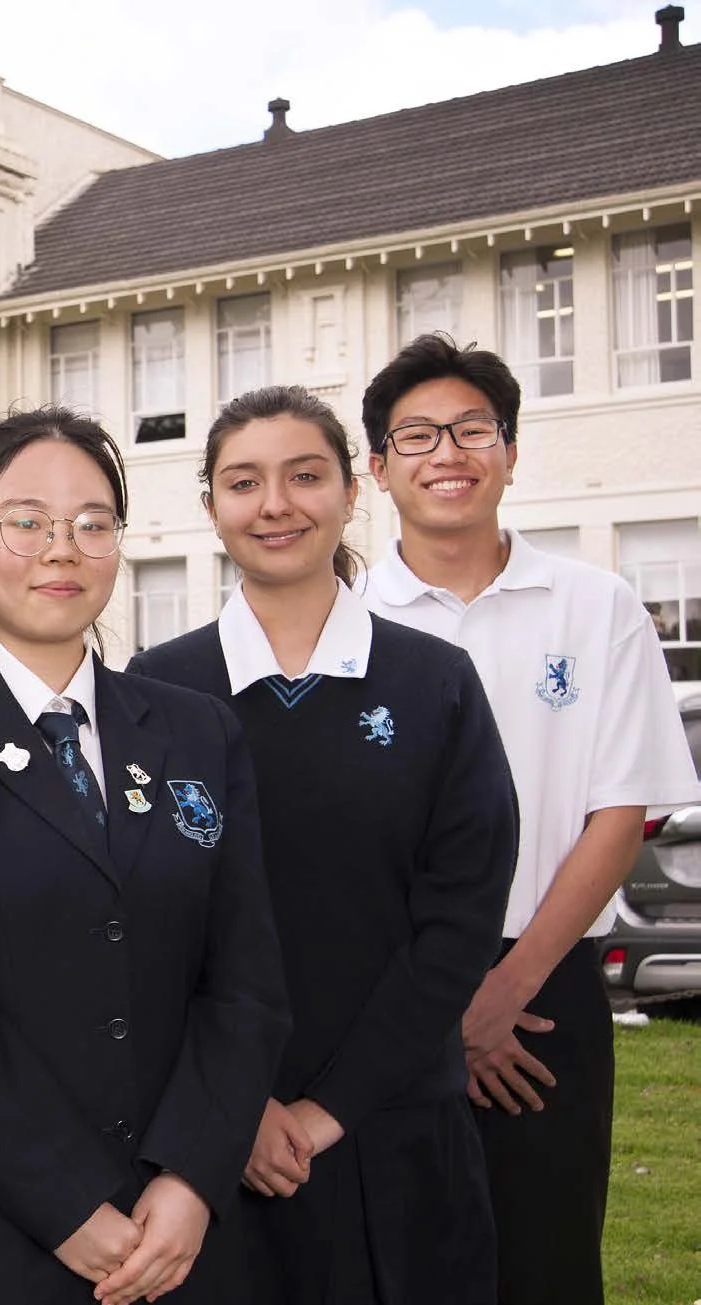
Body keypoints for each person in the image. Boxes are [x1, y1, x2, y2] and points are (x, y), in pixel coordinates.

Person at [0, 406, 289, 1305]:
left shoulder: (198, 731)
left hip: (176, 1234)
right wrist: (67, 1201)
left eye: (92, 523)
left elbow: (245, 982)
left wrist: (192, 1177)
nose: (62, 549)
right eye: (27, 521)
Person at [129, 385, 517, 1303]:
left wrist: (325, 1108)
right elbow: (142, 923)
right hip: (205, 1147)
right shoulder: (154, 691)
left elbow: (460, 917)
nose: (275, 504)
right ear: (212, 506)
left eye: (305, 476)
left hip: (397, 1128)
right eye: (243, 482)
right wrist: (237, 1105)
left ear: (351, 491)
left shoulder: (435, 682)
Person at [360, 334, 701, 1305]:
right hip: (379, 990)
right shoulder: (342, 621)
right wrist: (438, 1006)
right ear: (378, 468)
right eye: (417, 435)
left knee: (544, 1264)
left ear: (511, 451)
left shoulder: (597, 607)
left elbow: (617, 812)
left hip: (545, 990)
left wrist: (505, 990)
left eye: (474, 429)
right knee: (386, 1268)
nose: (447, 453)